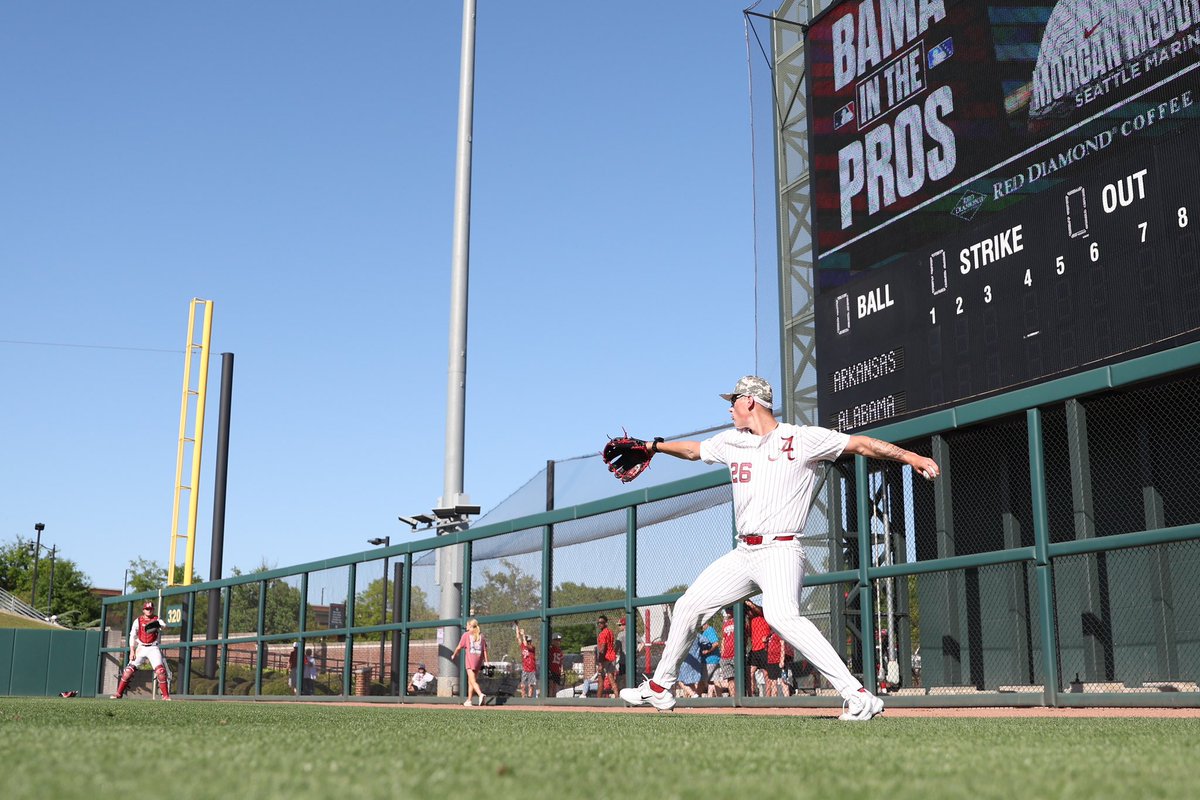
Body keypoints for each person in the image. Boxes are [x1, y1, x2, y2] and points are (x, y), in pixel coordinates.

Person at [618, 375, 940, 721]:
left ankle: (859, 695)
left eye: (734, 400)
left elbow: (860, 444)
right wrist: (653, 446)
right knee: (688, 605)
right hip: (744, 553)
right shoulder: (732, 441)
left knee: (782, 616)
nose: (730, 408)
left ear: (751, 402)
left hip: (781, 549)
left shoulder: (800, 438)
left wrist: (910, 456)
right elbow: (694, 451)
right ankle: (661, 686)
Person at [111, 601, 172, 700]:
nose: (149, 611)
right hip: (141, 647)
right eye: (147, 609)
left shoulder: (157, 619)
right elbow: (132, 636)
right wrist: (132, 650)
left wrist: (159, 625)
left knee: (160, 671)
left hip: (153, 647)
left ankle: (165, 696)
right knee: (128, 671)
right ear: (143, 610)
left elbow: (164, 625)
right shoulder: (138, 621)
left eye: (151, 609)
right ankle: (118, 694)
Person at [451, 618, 489, 706]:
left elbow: (459, 647)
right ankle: (469, 700)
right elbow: (485, 650)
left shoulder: (466, 635)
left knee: (472, 680)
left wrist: (454, 654)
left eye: (467, 625)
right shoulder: (481, 636)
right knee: (471, 681)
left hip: (470, 660)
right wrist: (487, 661)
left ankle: (480, 694)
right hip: (478, 660)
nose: (466, 626)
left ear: (470, 626)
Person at [595, 615, 617, 698]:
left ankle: (598, 701)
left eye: (602, 622)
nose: (600, 624)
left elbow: (602, 648)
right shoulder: (610, 632)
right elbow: (612, 645)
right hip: (612, 657)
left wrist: (600, 663)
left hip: (604, 659)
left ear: (606, 623)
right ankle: (617, 699)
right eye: (599, 623)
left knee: (600, 681)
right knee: (612, 680)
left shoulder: (603, 633)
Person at [699, 619, 721, 696]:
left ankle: (695, 697)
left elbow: (715, 643)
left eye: (701, 626)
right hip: (713, 660)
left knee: (703, 681)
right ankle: (717, 699)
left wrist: (708, 651)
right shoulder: (705, 632)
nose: (701, 628)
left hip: (710, 660)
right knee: (713, 681)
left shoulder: (709, 630)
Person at [516, 624, 538, 698]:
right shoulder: (523, 646)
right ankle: (523, 697)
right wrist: (517, 627)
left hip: (532, 668)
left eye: (529, 641)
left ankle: (529, 697)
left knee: (531, 685)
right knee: (523, 685)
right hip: (525, 668)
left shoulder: (532, 647)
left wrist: (523, 634)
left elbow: (526, 645)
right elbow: (518, 638)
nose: (528, 642)